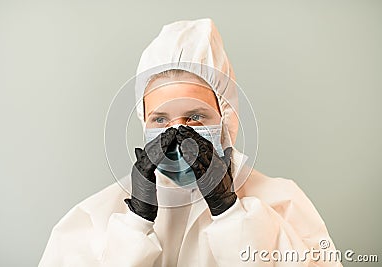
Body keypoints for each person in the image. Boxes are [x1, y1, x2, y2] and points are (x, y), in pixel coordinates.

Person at [39, 18, 342, 266]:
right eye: (160, 120)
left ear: (226, 116)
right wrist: (135, 225)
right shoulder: (93, 218)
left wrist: (230, 213)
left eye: (195, 117)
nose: (178, 132)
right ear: (144, 123)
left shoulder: (282, 202)